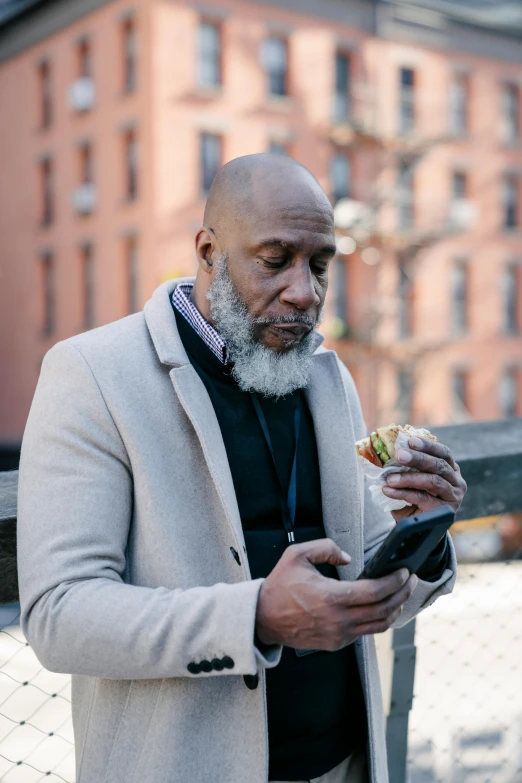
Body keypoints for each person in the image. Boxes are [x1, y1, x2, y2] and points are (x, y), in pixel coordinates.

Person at [17, 154, 465, 783]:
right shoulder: (90, 374)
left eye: (319, 264)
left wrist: (422, 538)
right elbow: (59, 616)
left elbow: (362, 577)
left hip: (344, 763)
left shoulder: (327, 378)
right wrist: (256, 615)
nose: (304, 291)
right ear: (207, 252)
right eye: (274, 259)